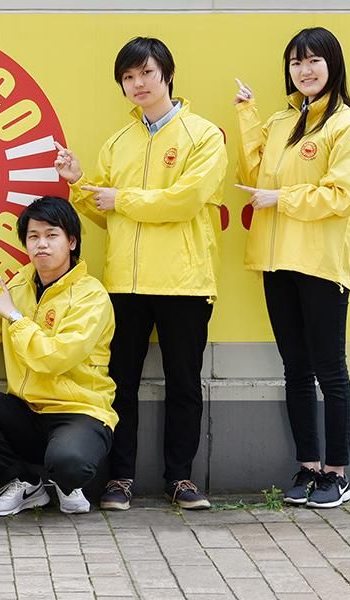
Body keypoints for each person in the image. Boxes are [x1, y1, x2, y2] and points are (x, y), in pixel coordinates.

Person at [55, 37, 227, 511]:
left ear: (167, 74)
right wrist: (78, 183)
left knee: (184, 383)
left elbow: (186, 201)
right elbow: (106, 215)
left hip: (184, 282)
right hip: (124, 284)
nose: (138, 84)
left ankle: (180, 478)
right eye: (128, 77)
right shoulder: (118, 142)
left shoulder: (203, 136)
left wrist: (122, 199)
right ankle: (120, 479)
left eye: (146, 73)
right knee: (120, 383)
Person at [234, 27, 350, 508]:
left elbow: (342, 196)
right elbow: (253, 176)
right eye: (296, 62)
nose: (304, 70)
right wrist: (246, 115)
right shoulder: (283, 121)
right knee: (295, 368)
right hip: (276, 262)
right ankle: (308, 467)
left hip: (320, 263)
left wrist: (282, 198)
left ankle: (337, 474)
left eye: (313, 60)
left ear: (333, 64)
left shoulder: (346, 124)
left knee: (330, 369)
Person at [0, 196, 117, 516]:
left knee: (68, 463)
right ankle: (24, 483)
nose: (42, 244)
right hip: (27, 412)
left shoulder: (91, 296)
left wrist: (16, 318)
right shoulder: (18, 286)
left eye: (52, 235)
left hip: (78, 412)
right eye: (33, 236)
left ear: (71, 242)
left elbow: (55, 358)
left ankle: (67, 482)